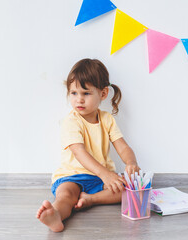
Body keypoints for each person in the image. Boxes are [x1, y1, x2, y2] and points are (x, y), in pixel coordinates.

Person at [36, 58, 140, 232]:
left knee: (127, 190)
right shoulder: (71, 121)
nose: (79, 100)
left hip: (99, 179)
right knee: (66, 195)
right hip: (72, 176)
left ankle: (91, 199)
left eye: (86, 93)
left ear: (103, 93)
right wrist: (105, 174)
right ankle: (56, 214)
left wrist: (131, 163)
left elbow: (122, 146)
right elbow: (79, 153)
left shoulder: (107, 119)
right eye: (74, 93)